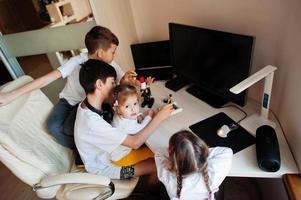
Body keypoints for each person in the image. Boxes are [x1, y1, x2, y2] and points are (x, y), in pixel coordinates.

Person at [0, 26, 137, 148]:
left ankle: (99, 143)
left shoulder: (111, 65)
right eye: (113, 52)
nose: (114, 55)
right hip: (70, 101)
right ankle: (80, 148)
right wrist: (10, 96)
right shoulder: (77, 62)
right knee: (54, 127)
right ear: (101, 53)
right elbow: (46, 79)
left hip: (92, 104)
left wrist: (125, 81)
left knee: (89, 123)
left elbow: (119, 88)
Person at [75, 59, 174, 180]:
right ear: (99, 84)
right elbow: (135, 143)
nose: (115, 86)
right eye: (112, 83)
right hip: (106, 167)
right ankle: (153, 191)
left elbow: (116, 103)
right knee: (163, 163)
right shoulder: (91, 123)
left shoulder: (90, 103)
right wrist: (159, 117)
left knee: (156, 149)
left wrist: (123, 86)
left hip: (112, 153)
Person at [155, 130, 233, 200]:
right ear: (202, 149)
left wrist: (185, 153)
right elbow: (227, 151)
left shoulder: (166, 175)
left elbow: (159, 152)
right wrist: (198, 154)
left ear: (170, 150)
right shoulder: (213, 176)